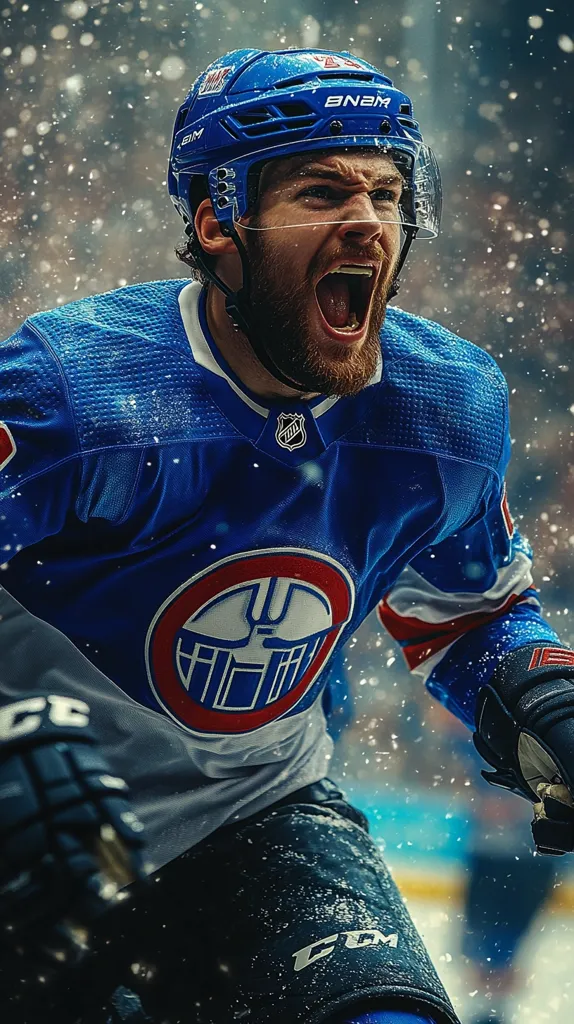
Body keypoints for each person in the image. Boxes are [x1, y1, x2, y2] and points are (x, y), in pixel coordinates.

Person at [1, 46, 574, 1024]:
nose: (368, 221)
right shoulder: (70, 389)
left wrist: (539, 693)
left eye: (387, 193)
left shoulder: (446, 404)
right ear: (216, 221)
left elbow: (469, 612)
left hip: (261, 815)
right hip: (32, 827)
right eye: (323, 191)